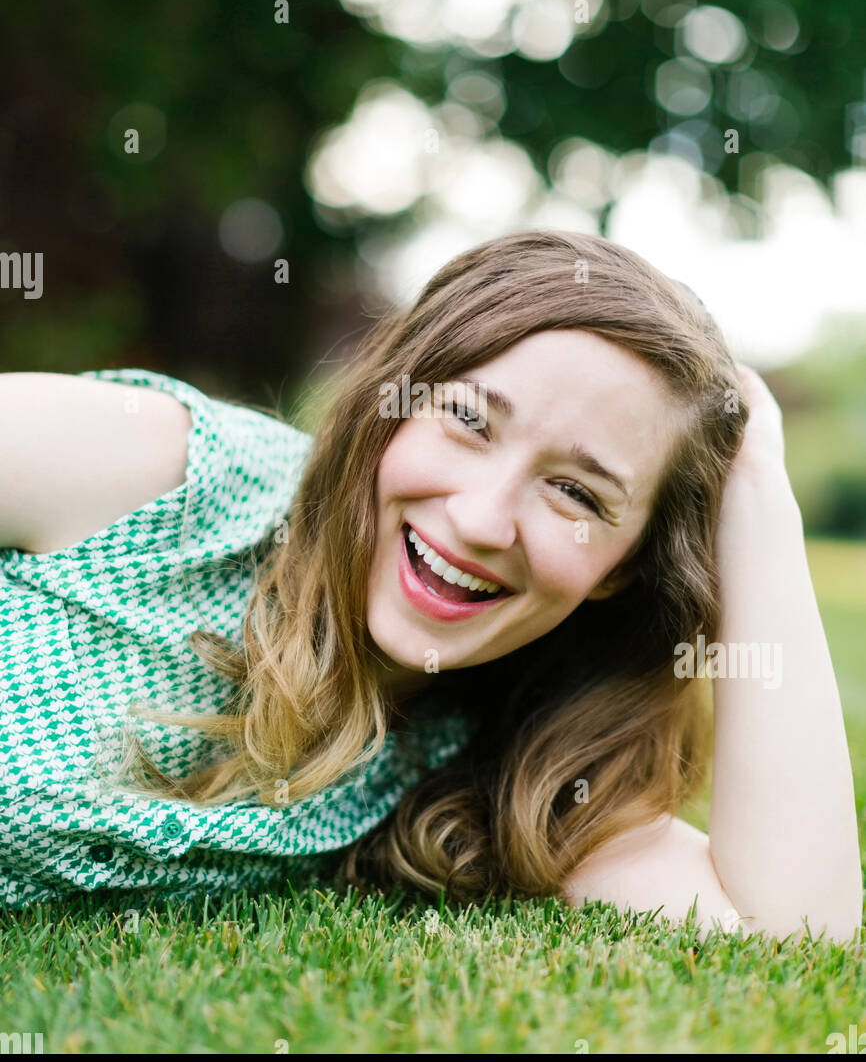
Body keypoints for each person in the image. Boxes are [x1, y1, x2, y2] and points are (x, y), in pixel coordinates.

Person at [0, 229, 861, 944]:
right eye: (469, 420)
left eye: (577, 492)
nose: (485, 519)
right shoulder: (176, 476)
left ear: (624, 569)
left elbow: (796, 930)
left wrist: (756, 501)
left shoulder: (496, 761)